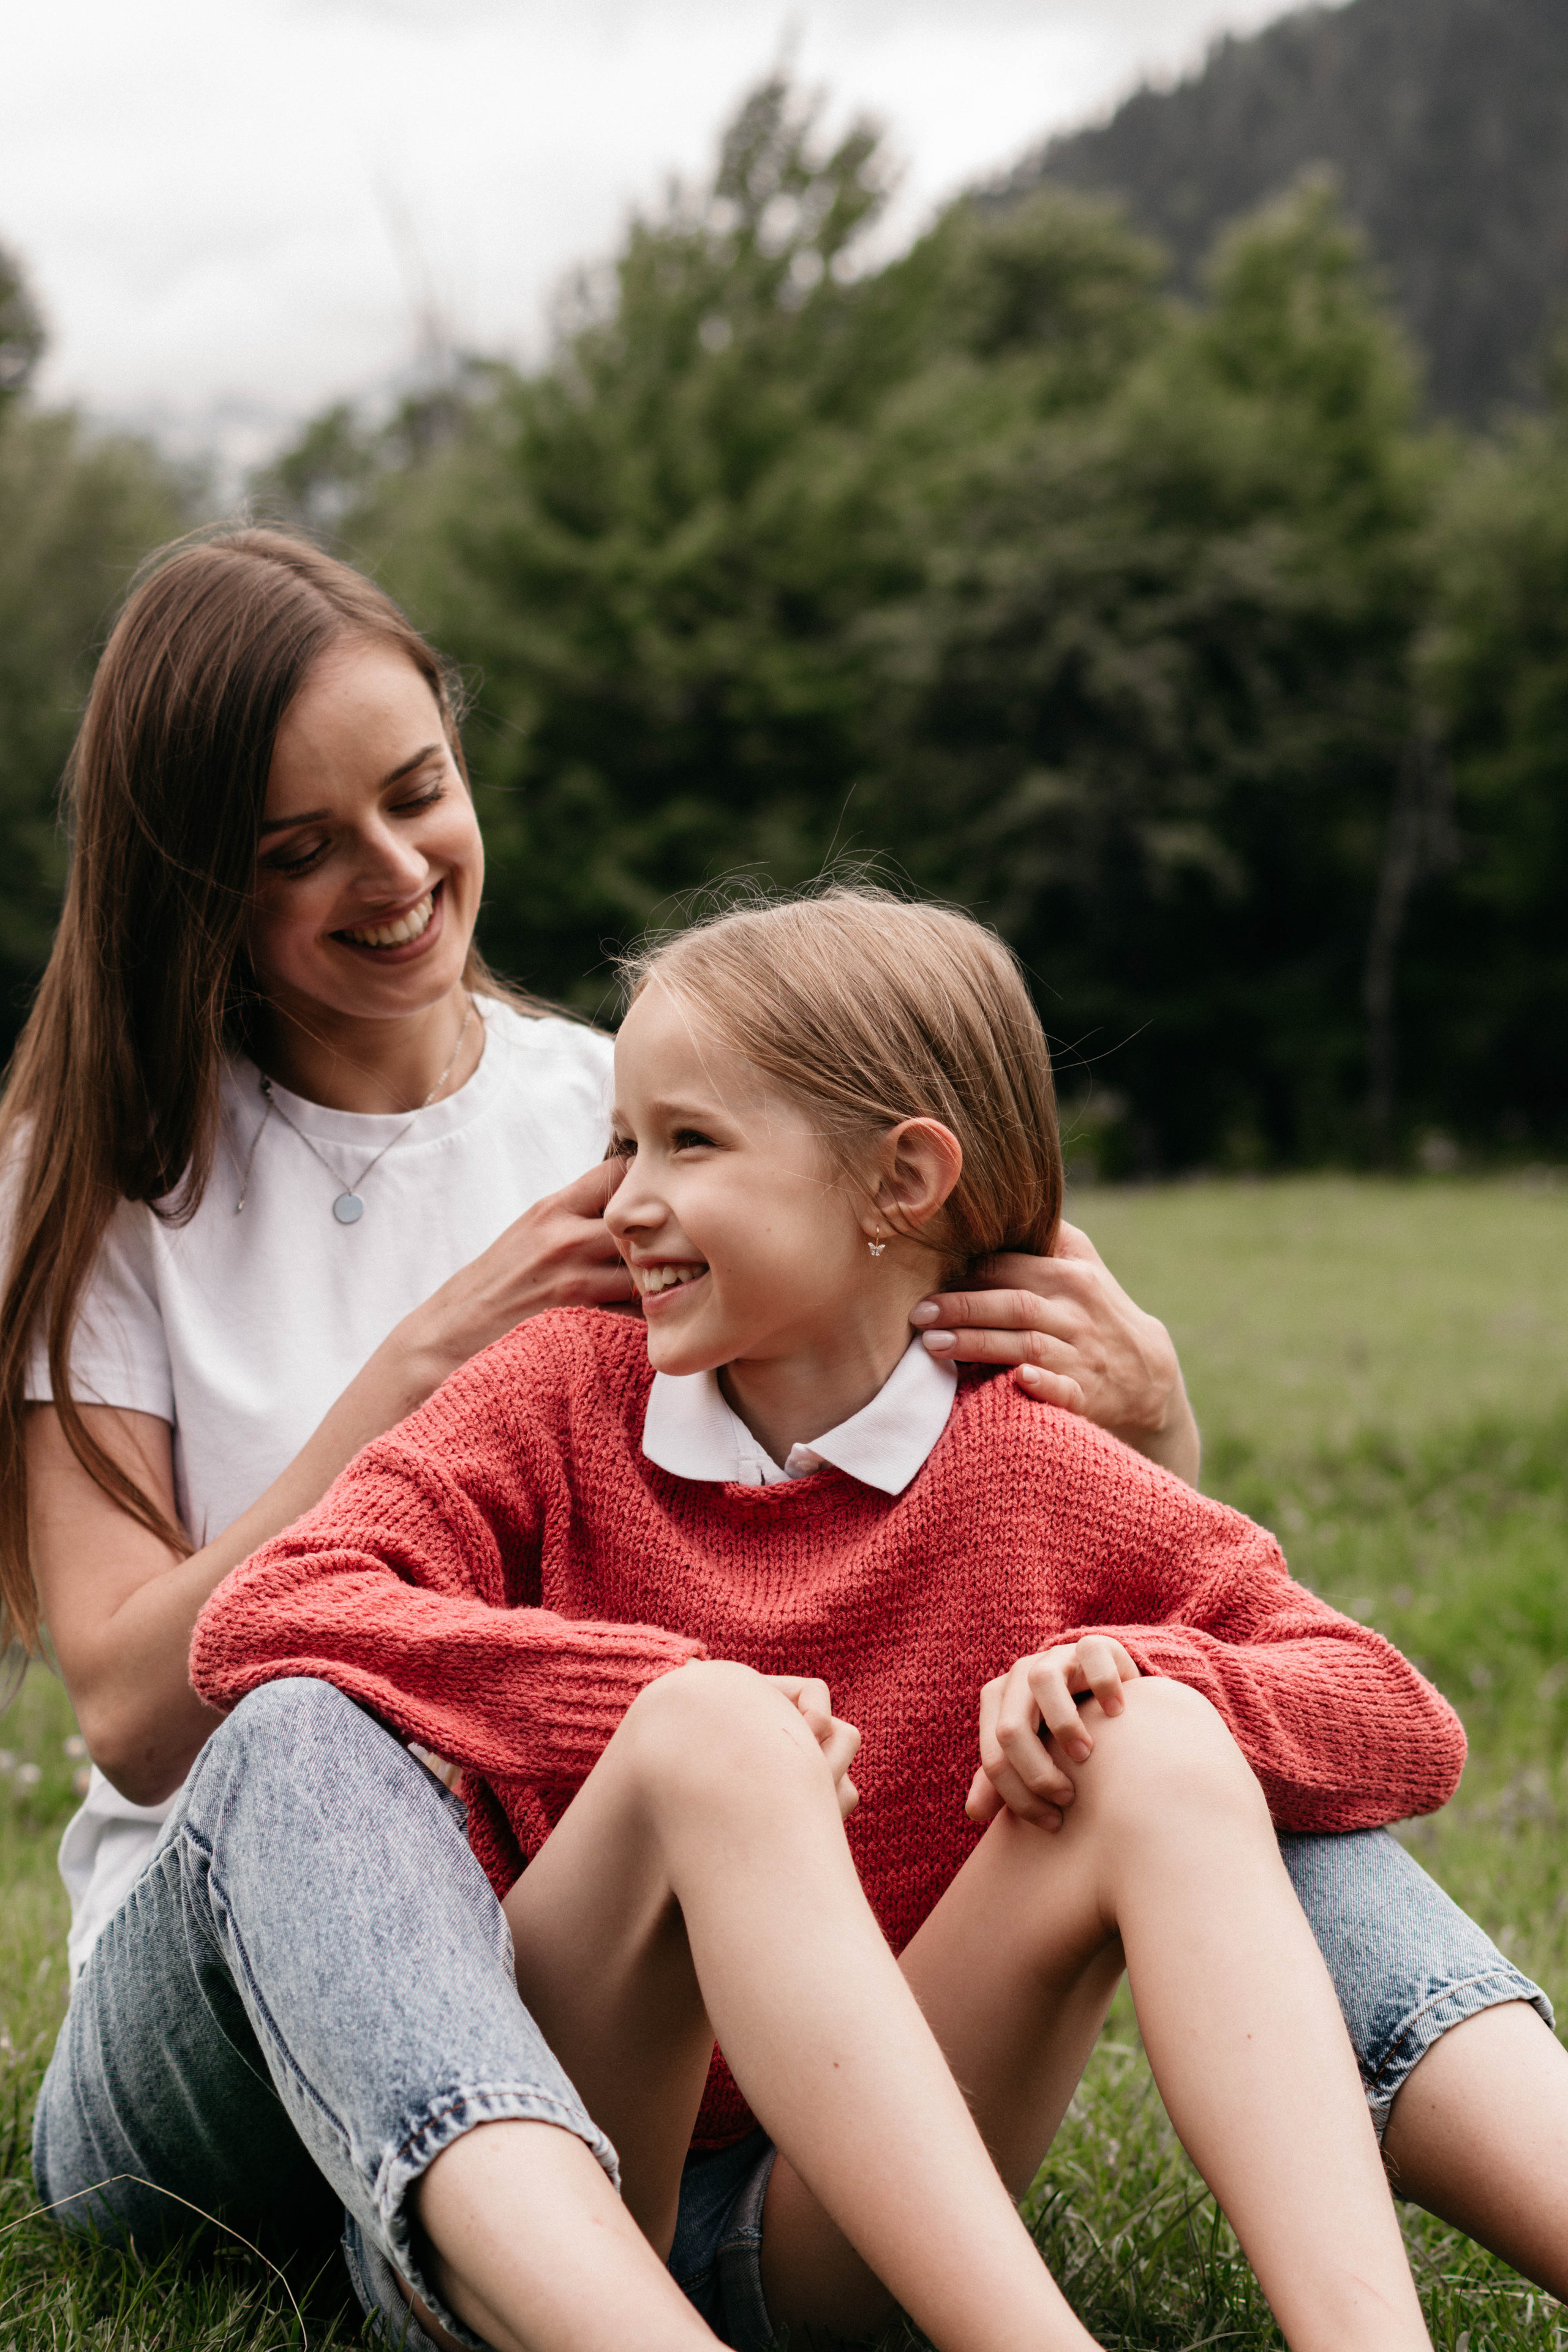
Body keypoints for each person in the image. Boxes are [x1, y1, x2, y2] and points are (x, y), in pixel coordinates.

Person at [0, 529, 1558, 2317]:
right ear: (196, 885)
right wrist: (423, 1371)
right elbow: (135, 1711)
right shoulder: (107, 1179)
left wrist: (1145, 1452)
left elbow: (978, 1492)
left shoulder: (649, 1096)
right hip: (247, 1965)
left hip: (661, 1973)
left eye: (419, 790)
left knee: (1183, 1740)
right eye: (298, 852)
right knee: (308, 1726)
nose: (396, 868)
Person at [178, 885, 1466, 2352]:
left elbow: (1396, 1717)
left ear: (898, 1181)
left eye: (689, 1143)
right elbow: (265, 1609)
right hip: (575, 2179)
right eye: (621, 1142)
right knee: (709, 1730)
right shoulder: (556, 1393)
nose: (623, 1200)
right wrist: (647, 1700)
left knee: (1156, 1744)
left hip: (831, 2242)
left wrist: (1121, 1673)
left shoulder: (1029, 1459)